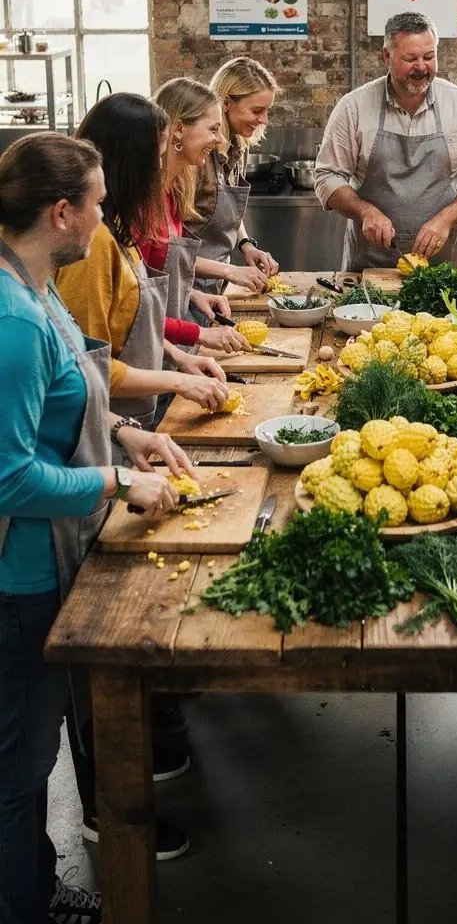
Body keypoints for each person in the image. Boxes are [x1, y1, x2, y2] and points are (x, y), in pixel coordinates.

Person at [0, 134, 183, 924]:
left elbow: (70, 397)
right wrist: (117, 480)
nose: (106, 218)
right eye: (98, 205)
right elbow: (9, 477)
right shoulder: (12, 321)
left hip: (57, 557)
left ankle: (34, 889)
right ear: (61, 213)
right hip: (21, 577)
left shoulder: (37, 289)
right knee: (18, 767)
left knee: (32, 752)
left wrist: (124, 432)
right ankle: (24, 906)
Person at [55, 93, 230, 426]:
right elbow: (88, 366)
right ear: (131, 162)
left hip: (133, 414)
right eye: (156, 157)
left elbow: (130, 324)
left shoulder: (117, 228)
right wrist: (178, 380)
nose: (161, 168)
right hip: (105, 424)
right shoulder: (94, 247)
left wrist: (177, 356)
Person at [314, 11, 457, 270]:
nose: (421, 67)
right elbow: (327, 176)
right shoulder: (353, 107)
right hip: (370, 263)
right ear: (386, 56)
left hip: (442, 265)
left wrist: (445, 220)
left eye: (429, 57)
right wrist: (364, 211)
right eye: (410, 59)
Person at [143, 78, 246, 352]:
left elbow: (158, 280)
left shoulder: (172, 192)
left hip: (169, 343)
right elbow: (133, 307)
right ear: (178, 130)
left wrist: (191, 294)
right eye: (213, 129)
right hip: (149, 350)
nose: (220, 139)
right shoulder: (145, 204)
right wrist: (198, 334)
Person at [192, 57, 279, 294]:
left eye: (267, 111)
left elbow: (227, 211)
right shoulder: (197, 155)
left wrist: (246, 244)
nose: (264, 120)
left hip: (216, 285)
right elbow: (168, 248)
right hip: (188, 286)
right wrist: (230, 271)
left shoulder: (239, 145)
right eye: (257, 111)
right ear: (226, 103)